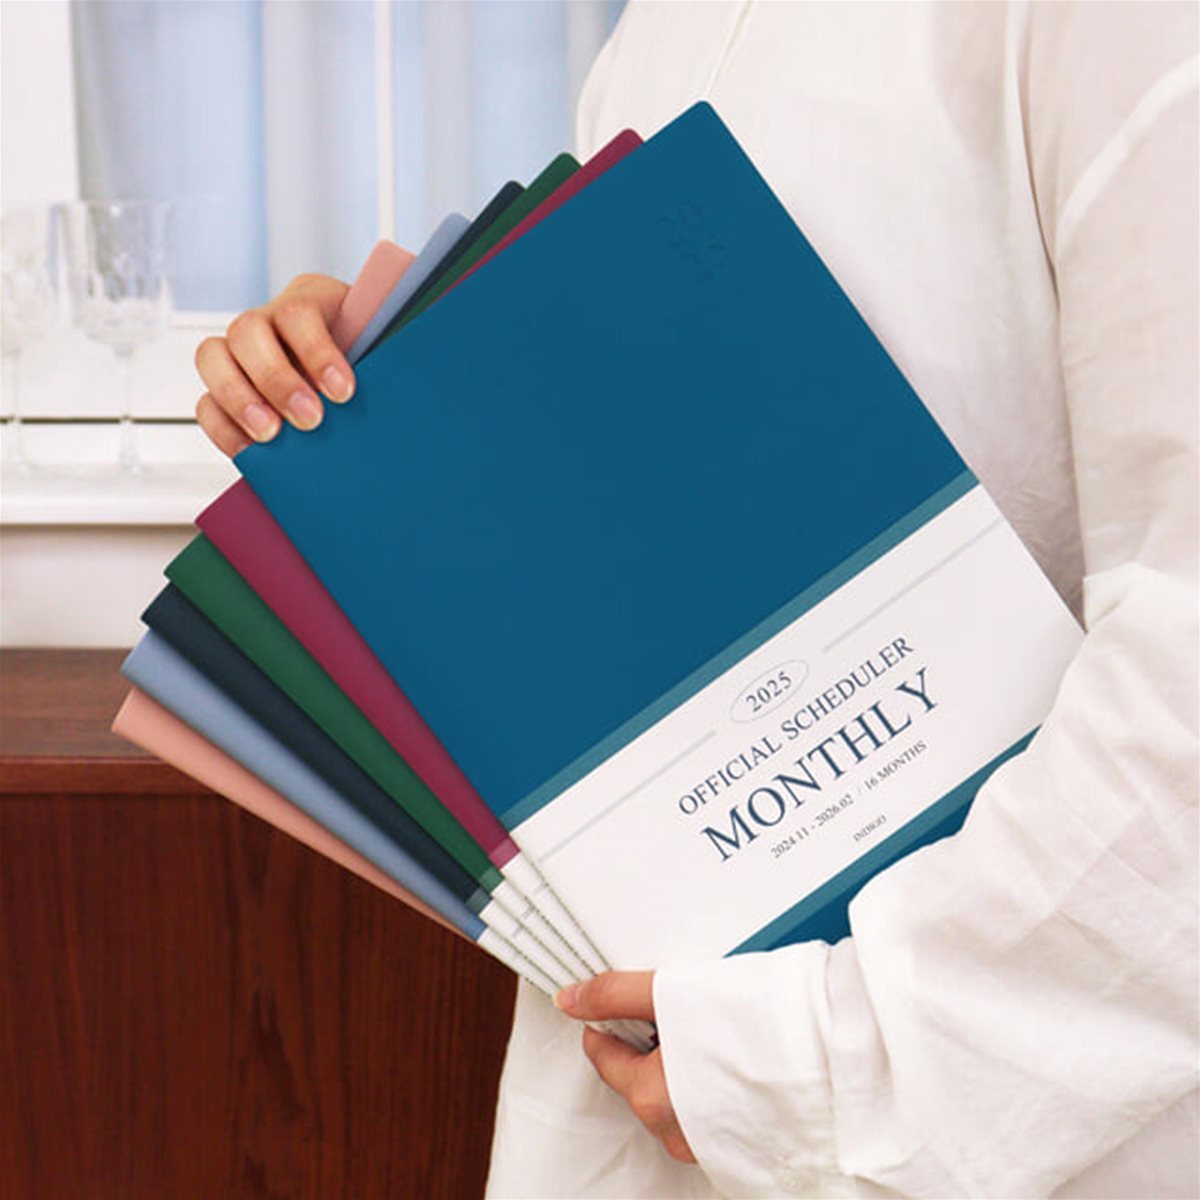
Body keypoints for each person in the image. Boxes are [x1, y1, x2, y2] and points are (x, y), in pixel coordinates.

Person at [195, 3, 1198, 1195]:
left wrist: (823, 1062)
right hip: (666, 1055)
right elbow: (636, 489)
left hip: (966, 1090)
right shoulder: (657, 33)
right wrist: (374, 393)